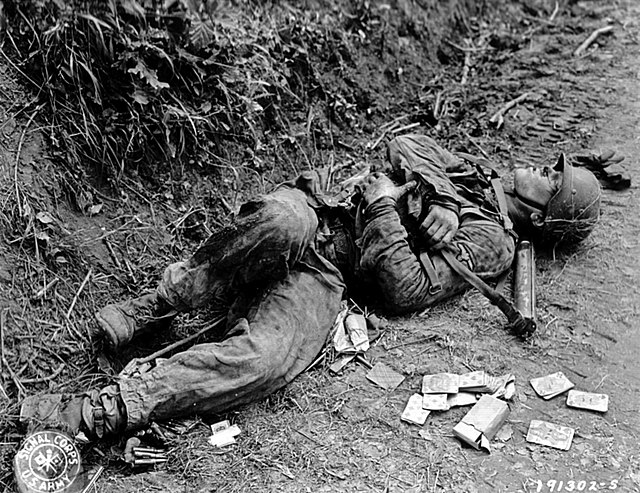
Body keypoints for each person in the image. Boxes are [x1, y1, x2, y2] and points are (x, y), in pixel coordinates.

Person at [19, 135, 601, 441]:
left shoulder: (492, 243)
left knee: (267, 360)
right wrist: (440, 195)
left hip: (328, 274)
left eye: (551, 179)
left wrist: (382, 206)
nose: (540, 170)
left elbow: (402, 286)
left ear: (542, 214)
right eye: (550, 167)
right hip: (316, 212)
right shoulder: (473, 173)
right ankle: (163, 302)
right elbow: (402, 143)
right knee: (282, 222)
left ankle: (102, 411)